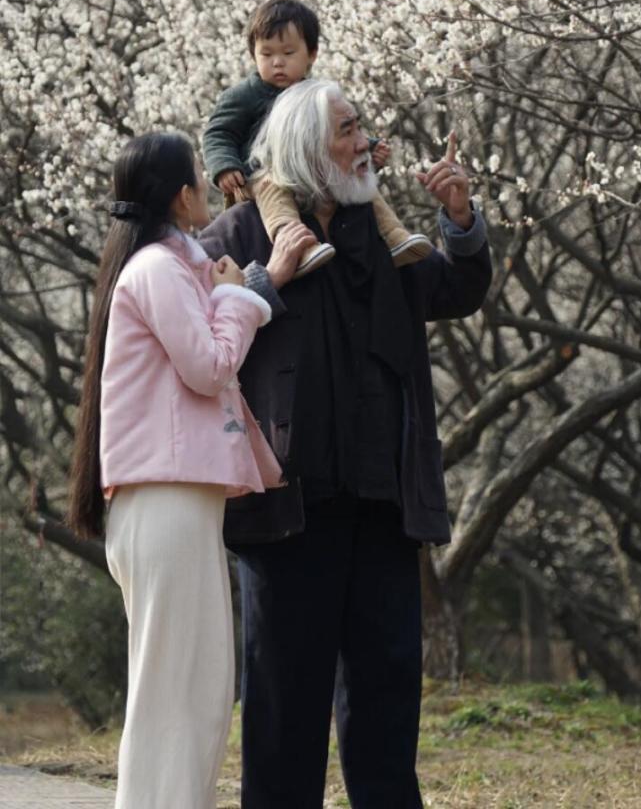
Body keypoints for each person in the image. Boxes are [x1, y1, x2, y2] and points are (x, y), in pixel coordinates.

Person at [199, 79, 492, 809]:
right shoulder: (241, 235)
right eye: (348, 130)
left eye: (363, 127)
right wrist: (265, 281)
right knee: (281, 708)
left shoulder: (385, 238)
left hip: (384, 503)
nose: (366, 143)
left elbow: (455, 292)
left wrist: (458, 218)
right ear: (305, 149)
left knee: (386, 705)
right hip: (287, 510)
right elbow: (196, 331)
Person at [67, 132, 287, 809]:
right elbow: (208, 366)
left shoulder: (162, 267)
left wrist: (225, 289)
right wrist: (240, 299)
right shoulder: (159, 271)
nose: (206, 188)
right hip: (164, 500)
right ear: (181, 195)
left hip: (173, 501)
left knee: (195, 688)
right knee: (174, 692)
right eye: (197, 177)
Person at [202, 0, 432, 278]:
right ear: (253, 55)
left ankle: (396, 238)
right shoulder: (243, 96)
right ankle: (298, 244)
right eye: (266, 54)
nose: (277, 63)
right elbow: (218, 133)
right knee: (273, 191)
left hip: (306, 169)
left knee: (364, 187)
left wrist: (367, 150)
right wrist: (225, 166)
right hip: (260, 173)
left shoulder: (315, 94)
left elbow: (334, 131)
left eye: (288, 54)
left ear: (311, 55)